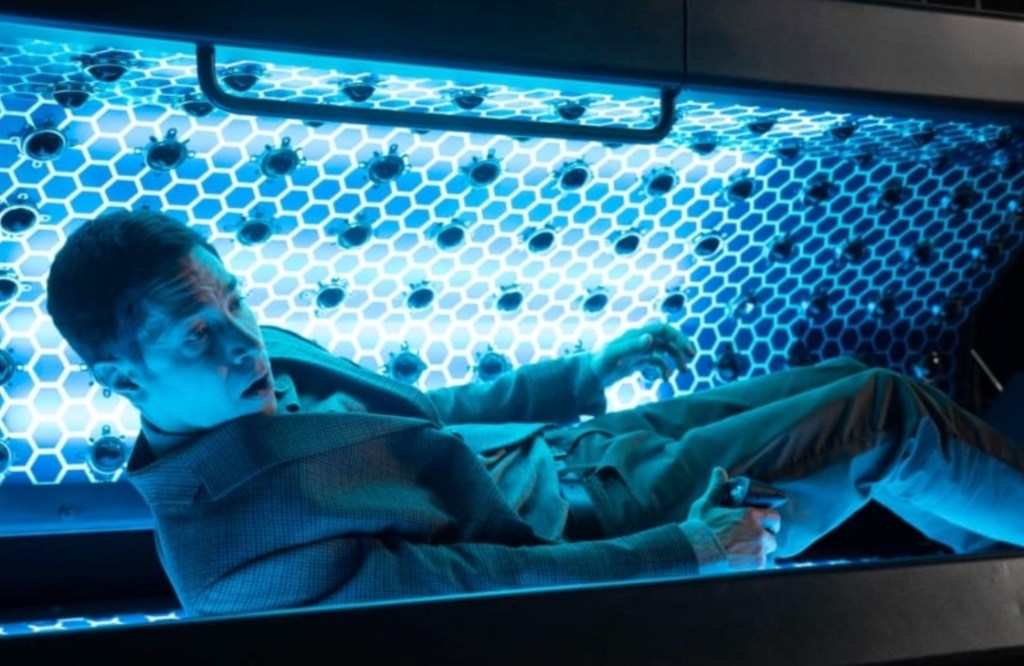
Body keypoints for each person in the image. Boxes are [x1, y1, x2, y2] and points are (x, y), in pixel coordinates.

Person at [45, 209, 1024, 617]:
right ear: (123, 382)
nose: (243, 342)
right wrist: (687, 552)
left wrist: (584, 371)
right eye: (197, 335)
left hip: (572, 450)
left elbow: (423, 416)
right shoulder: (229, 560)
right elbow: (477, 587)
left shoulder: (261, 356)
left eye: (235, 303)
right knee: (885, 414)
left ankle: (996, 570)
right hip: (609, 529)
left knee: (855, 375)